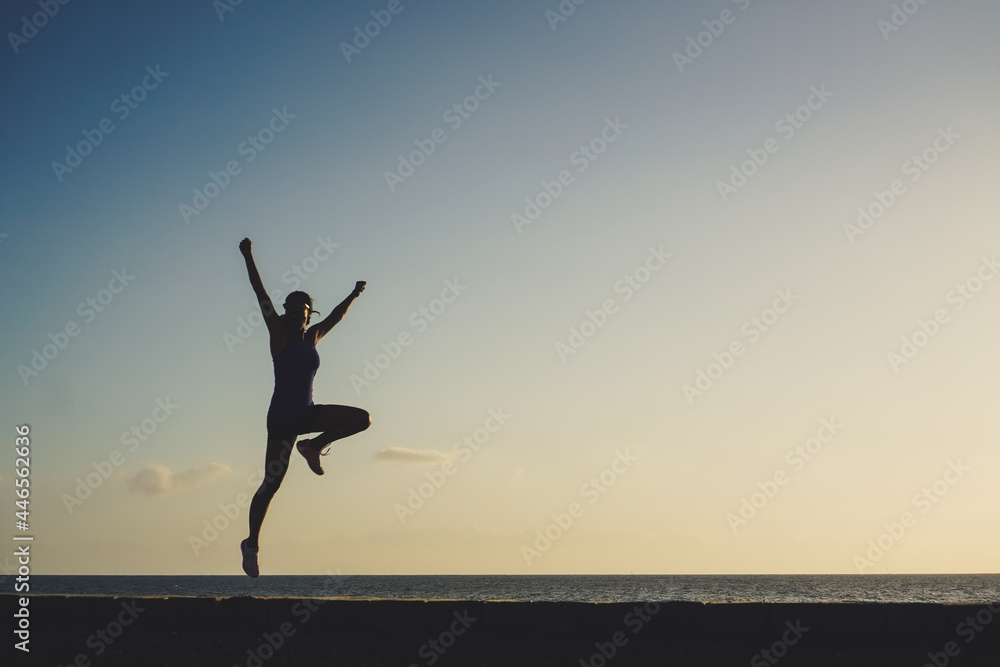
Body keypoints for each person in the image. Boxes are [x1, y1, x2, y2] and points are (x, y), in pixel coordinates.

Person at [238, 237, 371, 577]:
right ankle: (251, 544)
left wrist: (353, 295)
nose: (298, 313)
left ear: (310, 314)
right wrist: (248, 255)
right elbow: (259, 292)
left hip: (308, 413)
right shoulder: (277, 333)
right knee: (271, 485)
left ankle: (313, 445)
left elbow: (338, 317)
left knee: (362, 419)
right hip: (282, 419)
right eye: (292, 308)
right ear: (285, 312)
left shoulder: (312, 337)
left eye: (303, 309)